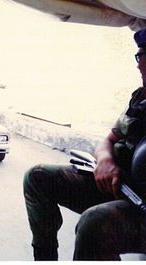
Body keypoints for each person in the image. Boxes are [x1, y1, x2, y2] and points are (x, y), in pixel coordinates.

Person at [23, 28, 146, 261]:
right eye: (138, 57)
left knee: (93, 223)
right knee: (36, 177)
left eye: (142, 57)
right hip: (118, 188)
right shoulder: (140, 98)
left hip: (141, 208)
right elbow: (108, 140)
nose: (138, 65)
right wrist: (105, 160)